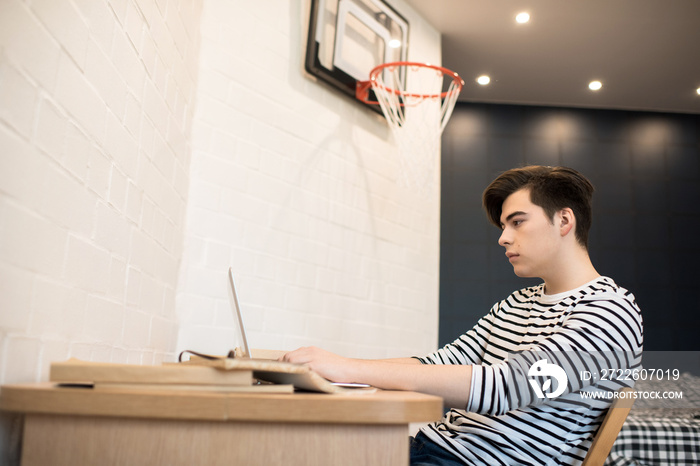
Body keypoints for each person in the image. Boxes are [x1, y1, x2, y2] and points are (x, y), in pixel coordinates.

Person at [281, 166, 643, 465]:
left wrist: (348, 369)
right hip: (433, 449)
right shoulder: (516, 303)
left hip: (479, 461)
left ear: (564, 220)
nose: (503, 238)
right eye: (503, 226)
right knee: (296, 449)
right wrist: (334, 370)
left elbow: (509, 385)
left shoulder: (611, 310)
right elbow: (437, 362)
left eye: (517, 222)